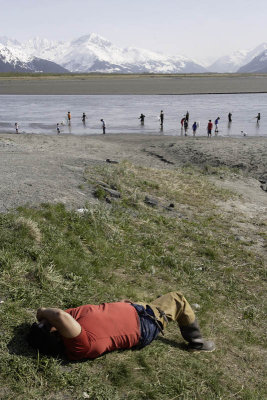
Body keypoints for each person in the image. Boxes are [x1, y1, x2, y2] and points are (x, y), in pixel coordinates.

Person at [27, 291, 215, 360]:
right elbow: (59, 315)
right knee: (177, 299)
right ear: (54, 334)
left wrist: (120, 306)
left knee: (146, 303)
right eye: (44, 325)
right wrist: (42, 311)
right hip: (145, 322)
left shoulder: (69, 328)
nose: (44, 321)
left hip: (133, 311)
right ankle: (197, 343)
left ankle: (134, 305)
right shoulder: (78, 345)